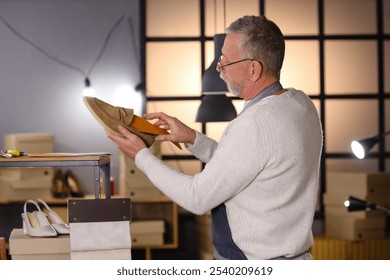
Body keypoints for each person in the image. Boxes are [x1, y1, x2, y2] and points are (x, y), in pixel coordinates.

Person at [107, 15, 323, 260]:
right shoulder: (301, 104)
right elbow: (249, 163)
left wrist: (141, 156)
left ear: (254, 69)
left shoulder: (254, 124)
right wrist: (193, 139)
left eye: (226, 61)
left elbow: (196, 198)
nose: (219, 69)